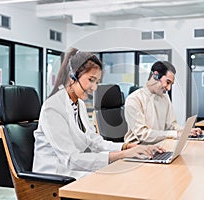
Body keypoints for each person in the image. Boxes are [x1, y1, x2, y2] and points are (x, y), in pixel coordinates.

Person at [32, 48, 164, 179]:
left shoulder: (80, 105)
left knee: (125, 175)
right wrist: (122, 155)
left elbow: (94, 142)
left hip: (74, 171)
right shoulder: (53, 108)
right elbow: (71, 159)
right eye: (91, 80)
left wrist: (125, 147)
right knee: (114, 179)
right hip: (54, 177)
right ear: (73, 77)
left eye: (96, 82)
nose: (94, 88)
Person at [124, 61, 201, 144]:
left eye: (171, 84)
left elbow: (171, 125)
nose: (169, 88)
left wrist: (186, 131)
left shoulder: (164, 97)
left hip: (159, 145)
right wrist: (175, 134)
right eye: (168, 82)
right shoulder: (134, 99)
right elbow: (142, 134)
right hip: (137, 150)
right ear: (155, 75)